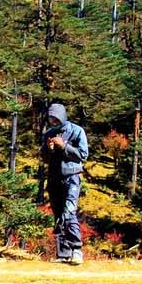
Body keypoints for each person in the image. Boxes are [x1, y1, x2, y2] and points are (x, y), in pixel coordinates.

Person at [40, 103, 89, 265]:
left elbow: (82, 155)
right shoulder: (49, 133)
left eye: (56, 118)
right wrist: (49, 149)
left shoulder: (77, 131)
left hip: (72, 176)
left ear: (62, 116)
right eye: (51, 119)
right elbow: (45, 158)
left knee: (68, 212)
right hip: (54, 177)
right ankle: (63, 253)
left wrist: (64, 146)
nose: (53, 122)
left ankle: (76, 250)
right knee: (58, 215)